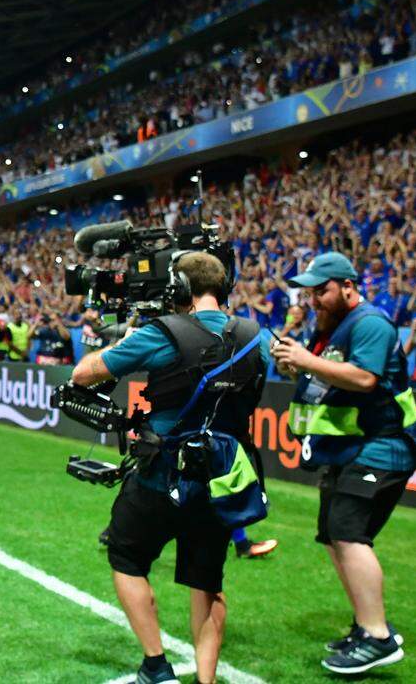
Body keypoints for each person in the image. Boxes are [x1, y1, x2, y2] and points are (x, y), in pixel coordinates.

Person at [71, 251, 271, 684]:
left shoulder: (162, 333)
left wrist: (125, 337)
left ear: (178, 289)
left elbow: (85, 372)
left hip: (162, 474)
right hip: (222, 482)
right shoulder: (258, 336)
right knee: (207, 584)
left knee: (126, 554)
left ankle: (157, 666)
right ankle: (205, 680)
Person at [271, 252, 414, 674]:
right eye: (311, 292)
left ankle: (378, 637)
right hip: (351, 449)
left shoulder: (369, 323)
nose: (314, 299)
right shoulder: (331, 329)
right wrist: (298, 369)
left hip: (384, 445)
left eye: (323, 290)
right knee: (337, 535)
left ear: (348, 286)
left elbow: (366, 378)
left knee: (349, 533)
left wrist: (306, 361)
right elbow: (329, 381)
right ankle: (366, 625)